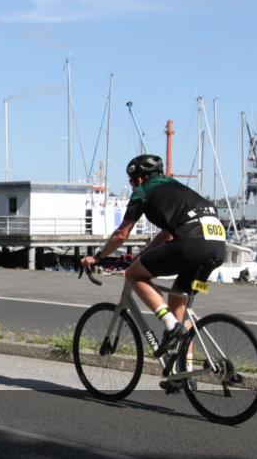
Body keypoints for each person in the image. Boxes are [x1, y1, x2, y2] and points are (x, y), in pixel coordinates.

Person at [80, 154, 226, 391]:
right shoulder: (177, 188)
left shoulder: (144, 191)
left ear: (138, 178)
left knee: (133, 275)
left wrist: (97, 257)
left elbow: (121, 235)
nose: (131, 186)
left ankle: (170, 326)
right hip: (217, 249)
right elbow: (167, 234)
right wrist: (144, 255)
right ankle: (185, 373)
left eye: (130, 181)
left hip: (193, 245)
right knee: (181, 300)